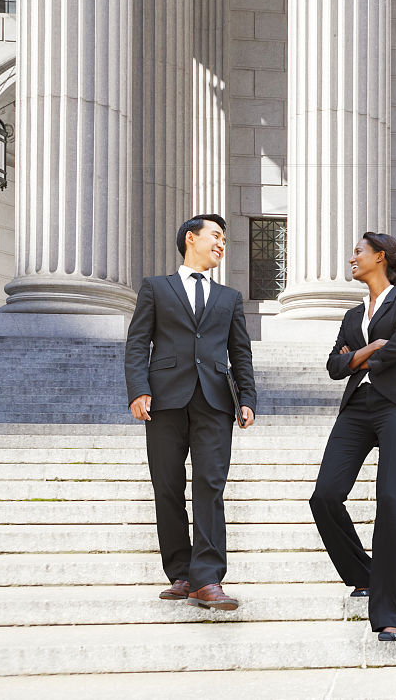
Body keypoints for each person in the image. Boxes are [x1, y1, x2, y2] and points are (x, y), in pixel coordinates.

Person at [124, 213, 257, 611]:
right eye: (215, 236)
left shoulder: (229, 298)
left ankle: (208, 578)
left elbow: (240, 352)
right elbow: (137, 344)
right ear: (190, 239)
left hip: (215, 402)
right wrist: (138, 389)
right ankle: (181, 574)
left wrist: (247, 398)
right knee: (166, 487)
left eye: (224, 239)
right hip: (164, 400)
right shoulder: (155, 289)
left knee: (210, 487)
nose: (220, 243)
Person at [309, 232, 396, 642]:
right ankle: (363, 574)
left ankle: (394, 613)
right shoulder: (350, 315)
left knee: (392, 502)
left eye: (358, 251)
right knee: (324, 496)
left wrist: (356, 356)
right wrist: (366, 350)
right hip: (357, 407)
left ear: (380, 256)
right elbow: (333, 366)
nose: (352, 257)